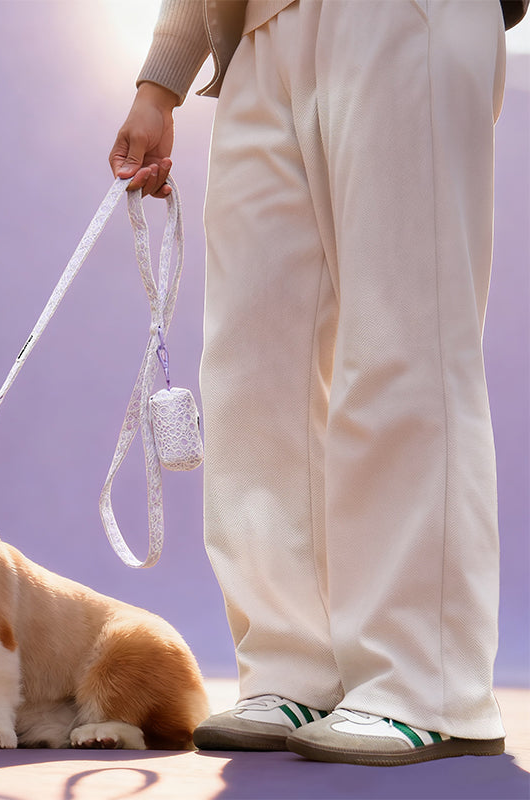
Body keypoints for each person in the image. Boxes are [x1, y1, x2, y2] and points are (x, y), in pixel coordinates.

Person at [109, 0, 527, 766]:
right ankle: (295, 665)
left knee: (404, 339)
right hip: (259, 34)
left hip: (403, 15)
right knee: (252, 368)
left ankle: (425, 684)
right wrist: (162, 79)